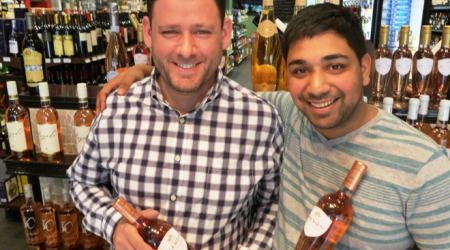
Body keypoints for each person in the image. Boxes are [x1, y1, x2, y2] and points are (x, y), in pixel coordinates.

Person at [98, 3, 450, 250]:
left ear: (366, 68)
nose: (316, 86)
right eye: (300, 70)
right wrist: (146, 72)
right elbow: (202, 87)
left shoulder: (426, 169)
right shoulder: (285, 112)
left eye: (335, 66)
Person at [67, 0, 284, 249]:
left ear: (225, 34)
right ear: (148, 33)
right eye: (170, 31)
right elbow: (82, 181)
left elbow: (272, 204)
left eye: (201, 31)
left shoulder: (261, 121)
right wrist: (113, 225)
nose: (186, 49)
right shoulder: (117, 110)